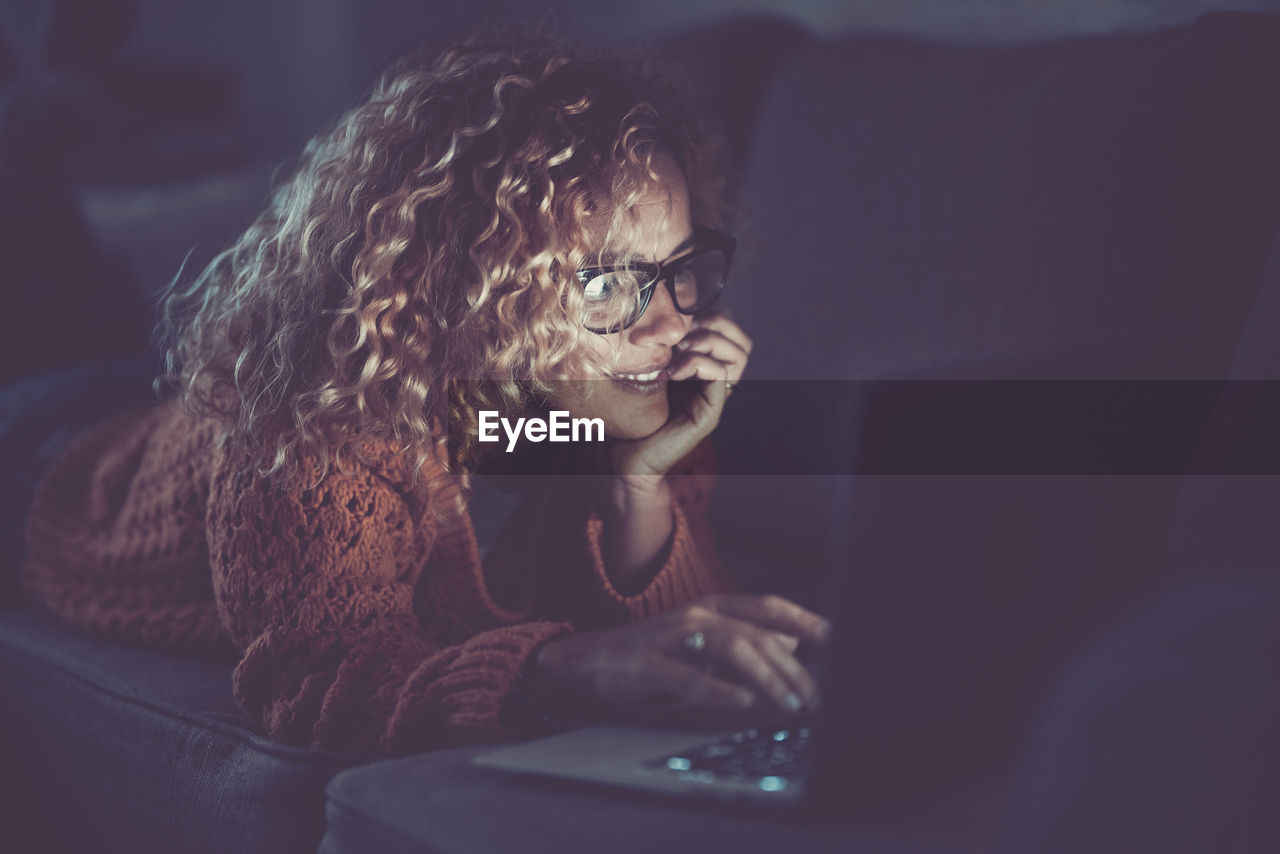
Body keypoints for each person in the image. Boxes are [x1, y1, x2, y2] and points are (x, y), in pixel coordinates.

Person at [17, 41, 830, 757]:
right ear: (474, 288)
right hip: (58, 460)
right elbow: (319, 681)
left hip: (145, 401)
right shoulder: (320, 428)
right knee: (47, 288)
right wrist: (566, 666)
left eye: (679, 267)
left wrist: (638, 487)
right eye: (611, 283)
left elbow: (694, 651)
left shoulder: (629, 396)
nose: (670, 319)